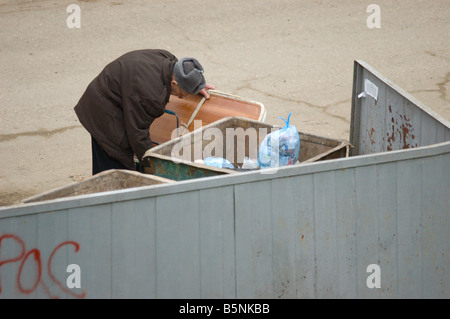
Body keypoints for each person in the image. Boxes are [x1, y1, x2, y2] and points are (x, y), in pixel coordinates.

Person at [74, 49, 215, 175]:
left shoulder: (169, 60)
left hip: (114, 94)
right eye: (184, 93)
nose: (182, 97)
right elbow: (137, 135)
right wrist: (156, 167)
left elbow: (185, 75)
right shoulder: (151, 96)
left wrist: (196, 87)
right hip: (102, 111)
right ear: (174, 84)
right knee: (115, 170)